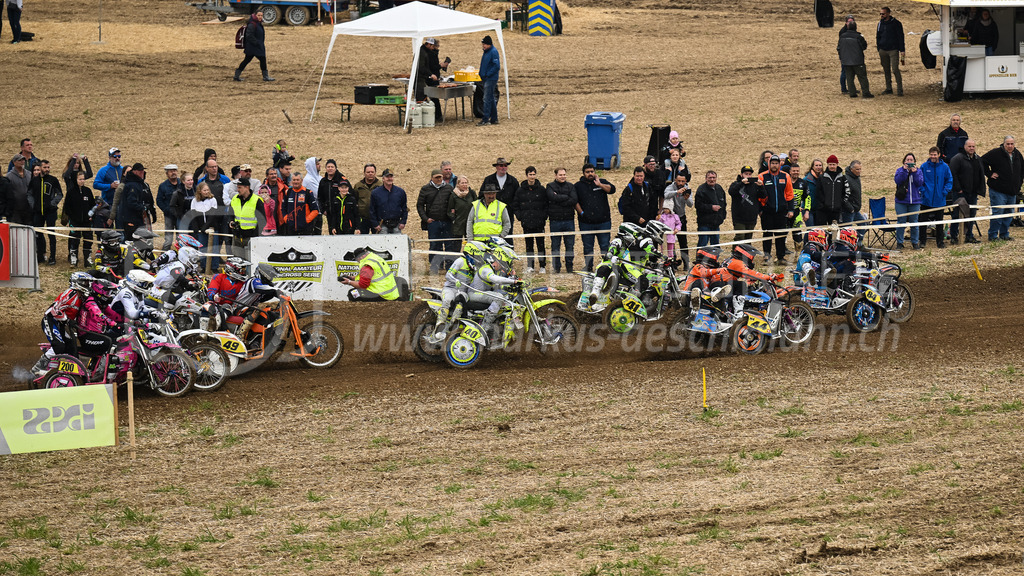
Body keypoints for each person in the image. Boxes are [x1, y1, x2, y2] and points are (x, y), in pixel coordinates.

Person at [31, 274, 92, 375]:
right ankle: (37, 368)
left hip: (63, 325)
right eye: (84, 282)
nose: (87, 285)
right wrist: (67, 319)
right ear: (77, 282)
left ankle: (71, 373)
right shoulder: (71, 294)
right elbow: (55, 310)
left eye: (87, 282)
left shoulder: (82, 297)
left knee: (72, 349)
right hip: (51, 320)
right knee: (59, 346)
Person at [431, 242, 482, 341]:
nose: (476, 259)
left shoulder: (476, 268)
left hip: (463, 292)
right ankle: (440, 323)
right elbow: (448, 274)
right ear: (469, 255)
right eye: (475, 256)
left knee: (460, 304)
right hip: (450, 288)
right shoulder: (460, 261)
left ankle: (452, 326)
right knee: (448, 300)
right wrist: (455, 280)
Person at [574, 163, 615, 273]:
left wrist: (600, 185)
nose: (590, 174)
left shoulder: (602, 182)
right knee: (588, 247)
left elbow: (612, 190)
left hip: (604, 221)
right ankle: (588, 267)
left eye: (592, 171)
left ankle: (606, 267)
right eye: (588, 172)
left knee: (605, 246)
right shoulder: (578, 186)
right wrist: (582, 213)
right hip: (586, 223)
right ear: (583, 173)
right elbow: (575, 201)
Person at [982, 135, 1023, 242]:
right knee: (997, 214)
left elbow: (1022, 170)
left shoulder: (1017, 154)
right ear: (1003, 144)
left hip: (1012, 191)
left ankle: (1004, 234)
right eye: (1008, 144)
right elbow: (982, 161)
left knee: (1009, 214)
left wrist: (1019, 184)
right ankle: (993, 235)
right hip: (998, 190)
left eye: (1012, 144)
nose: (1010, 146)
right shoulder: (995, 153)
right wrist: (989, 173)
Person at [756, 154, 794, 264]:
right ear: (769, 164)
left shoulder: (785, 176)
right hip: (767, 211)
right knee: (767, 234)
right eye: (772, 163)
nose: (774, 165)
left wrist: (790, 209)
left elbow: (789, 194)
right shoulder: (762, 176)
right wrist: (760, 210)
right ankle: (767, 256)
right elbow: (758, 195)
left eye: (776, 163)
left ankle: (781, 257)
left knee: (780, 235)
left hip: (781, 211)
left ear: (779, 164)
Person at [417, 169, 454, 274]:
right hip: (433, 223)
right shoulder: (425, 189)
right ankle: (435, 267)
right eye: (436, 177)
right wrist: (426, 219)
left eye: (440, 177)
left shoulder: (449, 188)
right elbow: (420, 205)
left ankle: (449, 267)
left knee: (448, 245)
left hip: (447, 222)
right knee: (434, 245)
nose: (439, 179)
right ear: (432, 178)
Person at [948, 139, 985, 244]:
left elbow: (980, 174)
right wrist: (958, 188)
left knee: (971, 214)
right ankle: (954, 237)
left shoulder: (977, 158)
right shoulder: (957, 158)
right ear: (965, 147)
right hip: (960, 193)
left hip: (973, 193)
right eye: (969, 146)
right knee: (956, 215)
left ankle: (969, 236)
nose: (971, 148)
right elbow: (952, 174)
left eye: (973, 146)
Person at [513, 166, 548, 273]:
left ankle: (542, 266)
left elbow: (546, 204)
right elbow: (515, 204)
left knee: (541, 245)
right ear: (526, 175)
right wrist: (520, 217)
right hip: (526, 222)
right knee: (529, 245)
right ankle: (530, 265)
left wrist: (543, 217)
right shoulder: (520, 190)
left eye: (533, 174)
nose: (532, 177)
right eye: (530, 174)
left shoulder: (542, 190)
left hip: (539, 222)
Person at [62, 155, 95, 267]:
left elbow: (89, 174)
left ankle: (87, 258)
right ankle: (72, 256)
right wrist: (72, 160)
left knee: (88, 238)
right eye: (75, 163)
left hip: (85, 217)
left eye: (77, 163)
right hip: (73, 212)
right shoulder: (69, 176)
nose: (76, 164)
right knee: (74, 237)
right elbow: (66, 175)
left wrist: (85, 161)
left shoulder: (87, 190)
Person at [29, 159, 63, 265]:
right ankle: (40, 255)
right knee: (38, 234)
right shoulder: (34, 180)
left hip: (51, 212)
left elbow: (60, 194)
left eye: (48, 167)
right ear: (40, 168)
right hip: (38, 212)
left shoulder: (53, 180)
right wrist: (33, 205)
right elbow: (29, 194)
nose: (47, 169)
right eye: (45, 167)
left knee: (51, 234)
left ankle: (52, 257)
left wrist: (52, 204)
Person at [919, 146, 953, 248]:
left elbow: (949, 180)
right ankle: (922, 241)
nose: (933, 156)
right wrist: (923, 191)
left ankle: (940, 242)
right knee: (923, 222)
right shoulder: (924, 166)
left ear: (939, 155)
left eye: (935, 154)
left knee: (939, 222)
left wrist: (944, 191)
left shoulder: (945, 167)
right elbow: (919, 181)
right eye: (931, 154)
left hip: (940, 200)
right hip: (926, 200)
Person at [546, 168, 577, 274]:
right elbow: (551, 197)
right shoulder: (550, 186)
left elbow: (574, 200)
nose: (563, 176)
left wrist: (558, 199)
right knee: (555, 245)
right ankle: (556, 267)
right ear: (555, 175)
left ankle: (569, 266)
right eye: (560, 175)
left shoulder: (570, 186)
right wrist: (565, 197)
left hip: (569, 220)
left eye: (564, 174)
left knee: (569, 245)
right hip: (555, 221)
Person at [184, 182, 219, 271]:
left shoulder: (213, 200)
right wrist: (196, 227)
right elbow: (193, 214)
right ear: (200, 191)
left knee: (214, 247)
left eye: (207, 190)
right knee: (203, 248)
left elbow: (212, 214)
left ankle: (214, 266)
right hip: (200, 228)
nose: (206, 192)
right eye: (204, 190)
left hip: (211, 227)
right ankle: (203, 266)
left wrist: (206, 226)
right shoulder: (194, 201)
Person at [894, 152, 925, 250]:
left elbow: (920, 182)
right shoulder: (900, 170)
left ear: (914, 162)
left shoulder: (918, 171)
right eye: (908, 160)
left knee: (914, 223)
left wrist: (914, 172)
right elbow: (898, 180)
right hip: (901, 201)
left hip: (915, 201)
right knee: (901, 222)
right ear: (904, 161)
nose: (909, 162)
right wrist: (905, 171)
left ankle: (915, 242)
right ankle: (899, 242)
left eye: (911, 160)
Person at [415, 38, 449, 124]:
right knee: (425, 98)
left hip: (426, 77)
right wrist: (431, 74)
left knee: (431, 97)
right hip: (422, 78)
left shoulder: (424, 51)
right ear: (429, 45)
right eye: (433, 46)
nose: (434, 48)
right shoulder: (423, 53)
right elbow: (422, 67)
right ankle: (427, 117)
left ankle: (433, 116)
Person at [234, 10, 275, 82]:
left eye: (261, 15)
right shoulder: (252, 24)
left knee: (247, 60)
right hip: (253, 47)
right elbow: (249, 36)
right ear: (255, 15)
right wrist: (257, 43)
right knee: (261, 59)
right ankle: (265, 77)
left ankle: (236, 75)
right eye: (259, 15)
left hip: (255, 46)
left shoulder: (258, 23)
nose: (260, 17)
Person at [228, 177, 265, 252]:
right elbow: (230, 214)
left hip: (251, 237)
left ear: (247, 187)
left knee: (251, 260)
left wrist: (255, 235)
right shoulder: (235, 199)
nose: (238, 190)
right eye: (237, 187)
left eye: (240, 187)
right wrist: (231, 222)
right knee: (237, 260)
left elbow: (262, 220)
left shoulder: (256, 200)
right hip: (237, 236)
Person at [838, 21, 874, 98]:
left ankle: (852, 93)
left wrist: (842, 58)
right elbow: (864, 46)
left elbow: (839, 48)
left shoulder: (842, 36)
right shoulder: (858, 37)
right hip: (858, 61)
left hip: (846, 61)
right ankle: (866, 93)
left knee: (849, 78)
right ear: (855, 27)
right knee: (862, 77)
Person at [662, 169, 693, 256]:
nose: (680, 183)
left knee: (683, 243)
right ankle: (673, 262)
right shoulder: (670, 187)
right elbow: (666, 195)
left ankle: (686, 262)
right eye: (678, 181)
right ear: (675, 180)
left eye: (682, 181)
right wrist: (676, 192)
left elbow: (691, 204)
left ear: (685, 181)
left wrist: (686, 198)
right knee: (670, 242)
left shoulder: (687, 189)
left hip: (681, 218)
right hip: (670, 219)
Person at [481, 157, 519, 227]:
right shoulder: (488, 180)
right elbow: (481, 195)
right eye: (501, 166)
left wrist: (513, 208)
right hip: (492, 214)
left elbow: (517, 197)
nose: (503, 168)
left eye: (505, 166)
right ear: (496, 167)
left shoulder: (513, 181)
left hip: (508, 214)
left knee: (507, 235)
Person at [876, 6, 905, 96]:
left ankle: (900, 90)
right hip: (883, 50)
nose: (881, 15)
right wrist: (879, 48)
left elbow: (901, 37)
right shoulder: (880, 23)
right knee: (886, 69)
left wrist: (902, 50)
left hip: (893, 50)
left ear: (888, 13)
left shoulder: (896, 23)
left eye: (883, 14)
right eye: (880, 14)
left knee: (895, 69)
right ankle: (889, 88)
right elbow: (878, 36)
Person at [814, 155, 849, 226]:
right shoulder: (822, 177)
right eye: (830, 164)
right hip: (823, 210)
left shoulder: (842, 178)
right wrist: (823, 203)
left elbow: (847, 192)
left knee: (834, 232)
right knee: (822, 231)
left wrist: (841, 202)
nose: (832, 166)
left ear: (837, 164)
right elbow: (818, 192)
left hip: (836, 210)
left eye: (833, 164)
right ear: (827, 165)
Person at [369, 169, 408, 234]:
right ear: (383, 178)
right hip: (382, 225)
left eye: (391, 177)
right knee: (383, 243)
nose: (389, 179)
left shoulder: (400, 192)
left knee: (397, 243)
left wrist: (403, 222)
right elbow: (372, 210)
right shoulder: (375, 193)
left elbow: (404, 208)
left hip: (397, 225)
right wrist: (375, 224)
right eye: (387, 177)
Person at [694, 170, 727, 247]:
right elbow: (698, 205)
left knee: (715, 245)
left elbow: (724, 204)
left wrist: (722, 217)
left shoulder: (719, 189)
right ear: (706, 178)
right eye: (710, 178)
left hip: (716, 224)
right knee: (703, 245)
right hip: (704, 223)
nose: (712, 179)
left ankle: (714, 259)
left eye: (713, 177)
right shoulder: (701, 190)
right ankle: (700, 259)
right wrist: (711, 207)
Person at [729, 165, 760, 242]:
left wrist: (761, 186)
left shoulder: (755, 185)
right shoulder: (736, 184)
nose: (748, 176)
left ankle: (746, 254)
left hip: (751, 217)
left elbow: (763, 195)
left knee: (748, 239)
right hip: (739, 218)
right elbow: (731, 192)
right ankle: (736, 253)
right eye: (746, 174)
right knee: (740, 237)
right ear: (741, 175)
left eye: (750, 174)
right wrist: (741, 183)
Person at [156, 164, 184, 250]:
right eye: (171, 171)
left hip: (181, 216)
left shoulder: (182, 184)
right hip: (169, 216)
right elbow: (159, 200)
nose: (173, 173)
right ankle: (164, 256)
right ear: (167, 174)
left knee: (181, 239)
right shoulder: (163, 186)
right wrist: (166, 210)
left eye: (175, 170)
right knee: (168, 239)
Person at [478, 35, 501, 126]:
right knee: (490, 98)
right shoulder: (487, 51)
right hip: (486, 78)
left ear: (489, 44)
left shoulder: (493, 52)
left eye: (485, 44)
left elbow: (496, 66)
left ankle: (486, 119)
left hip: (490, 79)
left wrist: (488, 74)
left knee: (486, 99)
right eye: (483, 44)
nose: (483, 46)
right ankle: (494, 118)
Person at [352, 163, 380, 235]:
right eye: (368, 172)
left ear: (375, 173)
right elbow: (354, 200)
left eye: (372, 172)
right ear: (364, 173)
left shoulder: (381, 185)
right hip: (363, 219)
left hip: (377, 219)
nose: (370, 174)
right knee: (363, 242)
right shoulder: (358, 186)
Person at [448, 175, 477, 241]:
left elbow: (476, 206)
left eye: (466, 182)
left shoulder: (472, 193)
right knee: (456, 246)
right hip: (458, 224)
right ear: (458, 184)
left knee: (471, 244)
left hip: (470, 223)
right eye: (462, 183)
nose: (464, 185)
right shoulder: (453, 195)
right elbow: (450, 209)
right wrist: (454, 219)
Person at [5, 154, 31, 224]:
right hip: (15, 209)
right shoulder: (9, 176)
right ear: (14, 162)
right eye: (19, 160)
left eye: (23, 160)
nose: (22, 162)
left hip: (28, 208)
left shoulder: (29, 174)